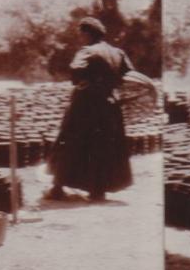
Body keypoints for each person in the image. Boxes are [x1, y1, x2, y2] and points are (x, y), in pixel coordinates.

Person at [46, 17, 134, 202]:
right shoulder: (117, 52)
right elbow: (129, 75)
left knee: (70, 142)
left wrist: (84, 81)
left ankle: (58, 188)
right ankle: (98, 191)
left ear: (87, 33)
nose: (80, 38)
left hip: (85, 105)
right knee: (102, 147)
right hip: (109, 106)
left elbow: (75, 68)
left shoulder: (87, 51)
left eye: (81, 34)